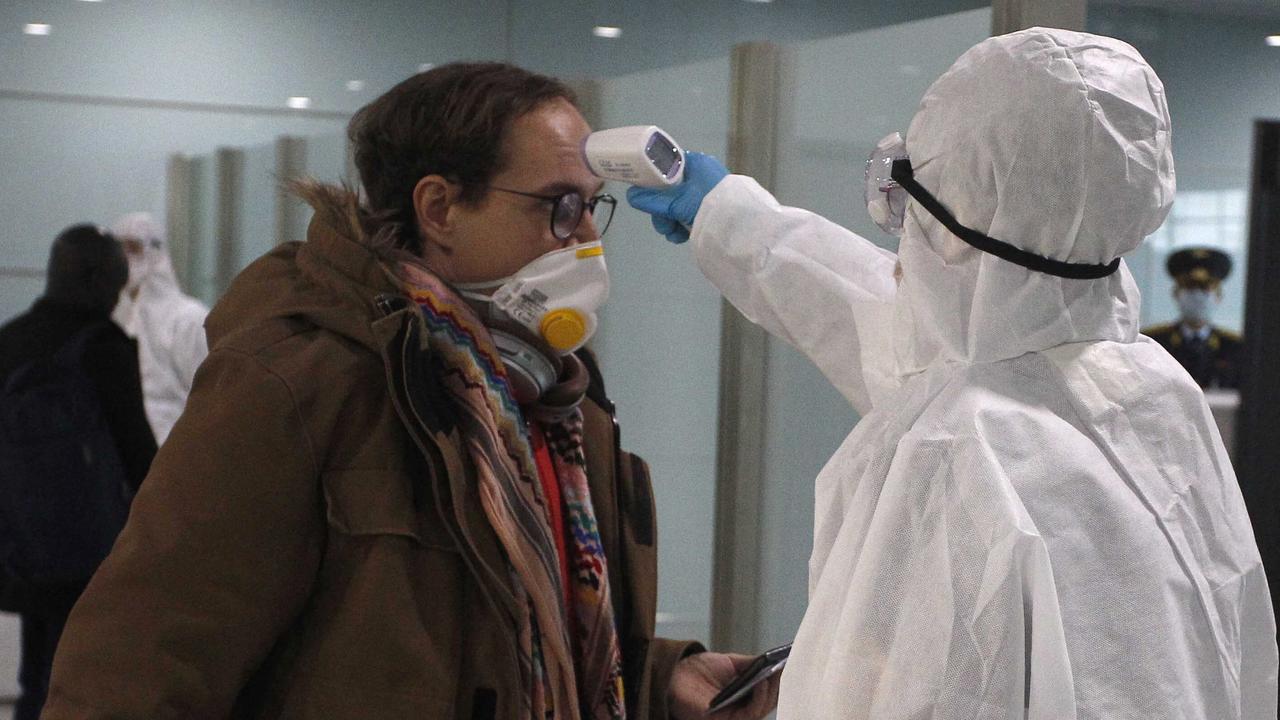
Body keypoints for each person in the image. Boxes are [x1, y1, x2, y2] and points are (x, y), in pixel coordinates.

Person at [42, 63, 779, 720]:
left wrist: (659, 679)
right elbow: (134, 671)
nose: (585, 235)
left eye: (593, 206)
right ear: (439, 209)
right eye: (558, 206)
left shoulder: (562, 408)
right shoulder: (299, 386)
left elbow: (521, 640)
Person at [629, 28, 1277, 719]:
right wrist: (730, 217)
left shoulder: (956, 453)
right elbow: (909, 331)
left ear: (956, 212)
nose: (903, 232)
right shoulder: (1154, 396)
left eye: (912, 195)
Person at [0, 224, 156, 720]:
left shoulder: (10, 340)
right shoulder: (103, 347)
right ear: (93, 282)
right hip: (91, 547)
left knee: (37, 677)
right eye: (114, 282)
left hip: (19, 547)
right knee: (84, 679)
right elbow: (137, 450)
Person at [109, 212, 210, 444]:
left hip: (174, 452)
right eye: (118, 249)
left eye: (132, 248)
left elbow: (208, 394)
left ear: (155, 251)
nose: (124, 258)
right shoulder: (116, 320)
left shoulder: (188, 318)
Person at [1142, 246, 1243, 389]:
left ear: (1218, 296)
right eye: (1189, 288)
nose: (1197, 296)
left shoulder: (1235, 347)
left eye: (1205, 289)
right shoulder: (1153, 342)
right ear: (1176, 294)